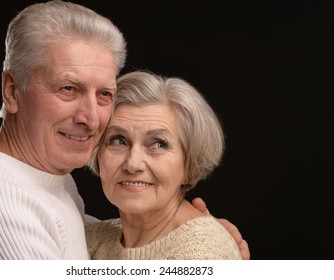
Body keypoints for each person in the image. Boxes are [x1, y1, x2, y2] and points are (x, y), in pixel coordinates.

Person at [0, 0, 249, 260]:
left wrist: (196, 235)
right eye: (68, 88)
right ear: (12, 91)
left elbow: (74, 237)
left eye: (104, 94)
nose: (91, 119)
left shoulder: (46, 178)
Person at [85, 70, 242, 259]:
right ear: (97, 153)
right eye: (118, 140)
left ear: (189, 162)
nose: (133, 164)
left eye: (158, 144)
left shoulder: (203, 253)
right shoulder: (92, 239)